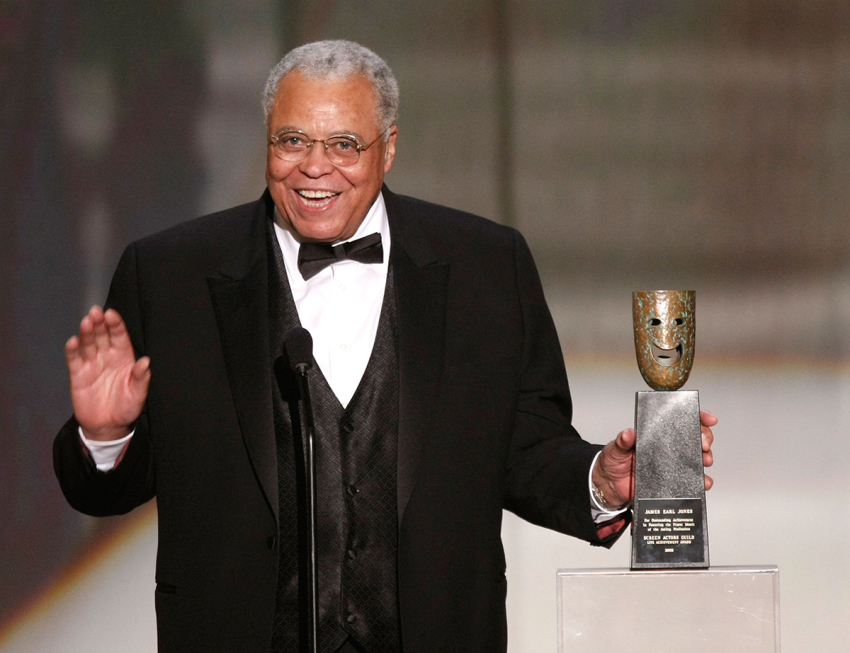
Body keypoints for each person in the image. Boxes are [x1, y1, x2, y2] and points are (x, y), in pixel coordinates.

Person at [54, 40, 716, 653]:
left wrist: (599, 479)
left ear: (389, 147)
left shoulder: (488, 266)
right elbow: (109, 490)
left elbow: (526, 447)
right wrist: (106, 436)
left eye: (344, 143)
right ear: (265, 141)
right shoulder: (169, 275)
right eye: (291, 140)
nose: (315, 167)